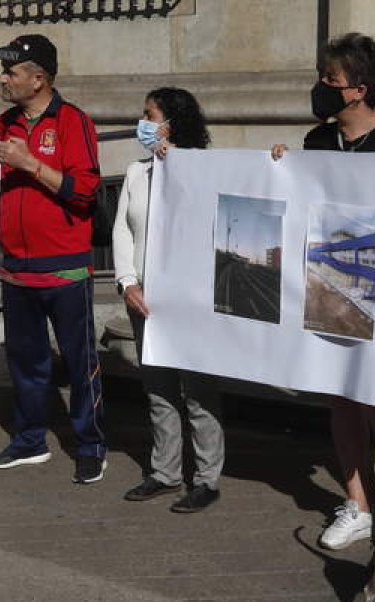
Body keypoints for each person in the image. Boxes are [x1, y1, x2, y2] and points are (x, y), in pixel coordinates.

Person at [273, 32, 375, 550]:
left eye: (330, 81)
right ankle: (358, 504)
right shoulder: (319, 142)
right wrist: (281, 169)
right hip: (330, 279)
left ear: (359, 89)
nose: (321, 87)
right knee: (340, 399)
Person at [0, 35, 108, 484]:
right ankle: (30, 439)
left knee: (80, 363)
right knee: (26, 362)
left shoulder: (73, 122)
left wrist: (30, 163)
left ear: (38, 79)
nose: (3, 78)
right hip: (16, 269)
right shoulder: (2, 125)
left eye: (11, 71)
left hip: (66, 268)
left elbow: (86, 192)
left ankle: (90, 445)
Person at [114, 87, 225, 513]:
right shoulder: (136, 172)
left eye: (149, 115)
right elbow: (123, 229)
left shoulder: (204, 170)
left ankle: (207, 478)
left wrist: (176, 163)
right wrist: (127, 282)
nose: (142, 122)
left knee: (199, 391)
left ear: (172, 123)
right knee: (158, 389)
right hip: (145, 300)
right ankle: (164, 472)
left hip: (191, 301)